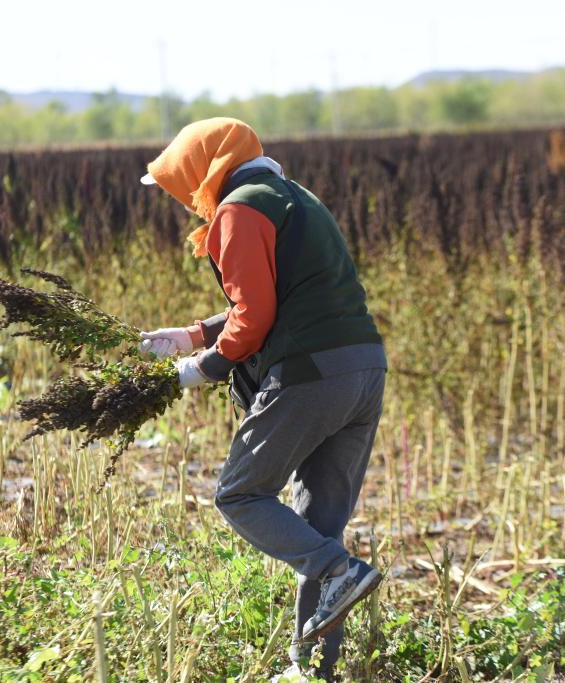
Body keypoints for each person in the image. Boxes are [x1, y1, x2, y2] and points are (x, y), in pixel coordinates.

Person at [138, 117, 386, 682]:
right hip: (363, 370)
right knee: (317, 529)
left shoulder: (239, 209)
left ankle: (338, 573)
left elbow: (255, 316)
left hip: (310, 374)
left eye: (181, 187)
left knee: (241, 495)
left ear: (202, 171)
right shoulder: (293, 197)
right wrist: (195, 333)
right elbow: (284, 295)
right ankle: (313, 671)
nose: (185, 202)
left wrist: (199, 369)